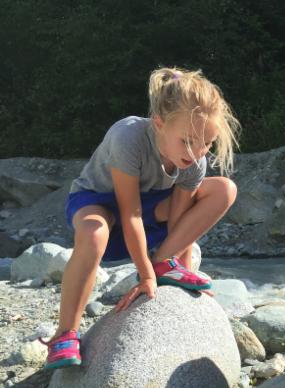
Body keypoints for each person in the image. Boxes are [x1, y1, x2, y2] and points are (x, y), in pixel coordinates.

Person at [41, 67, 240, 370]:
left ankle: (163, 262)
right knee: (94, 233)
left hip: (149, 212)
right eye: (188, 141)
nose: (198, 151)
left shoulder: (194, 160)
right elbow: (130, 213)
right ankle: (64, 334)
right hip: (99, 204)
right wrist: (146, 276)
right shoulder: (128, 137)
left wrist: (181, 275)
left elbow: (179, 223)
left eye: (207, 143)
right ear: (159, 123)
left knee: (224, 189)